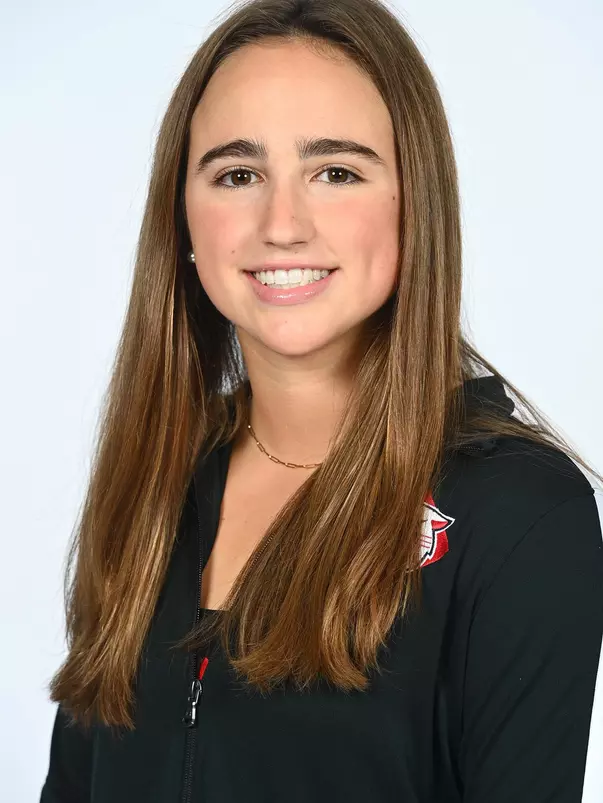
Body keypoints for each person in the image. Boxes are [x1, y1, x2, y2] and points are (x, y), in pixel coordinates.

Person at [39, 0, 603, 801]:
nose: (281, 223)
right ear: (184, 217)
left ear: (414, 203)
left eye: (335, 171)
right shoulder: (154, 482)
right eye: (238, 174)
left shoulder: (514, 513)